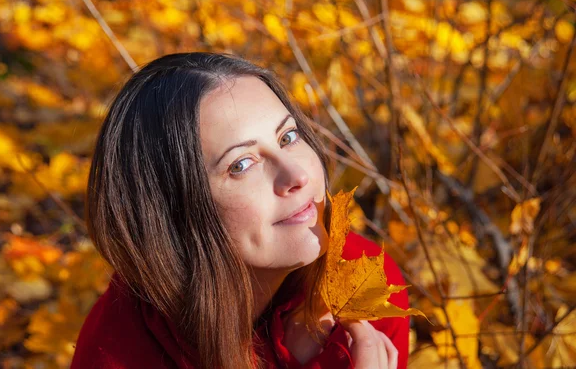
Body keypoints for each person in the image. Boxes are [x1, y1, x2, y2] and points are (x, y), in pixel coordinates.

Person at [70, 52, 410, 369]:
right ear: (171, 214)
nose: (298, 176)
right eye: (242, 164)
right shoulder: (119, 351)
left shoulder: (365, 286)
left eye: (288, 137)